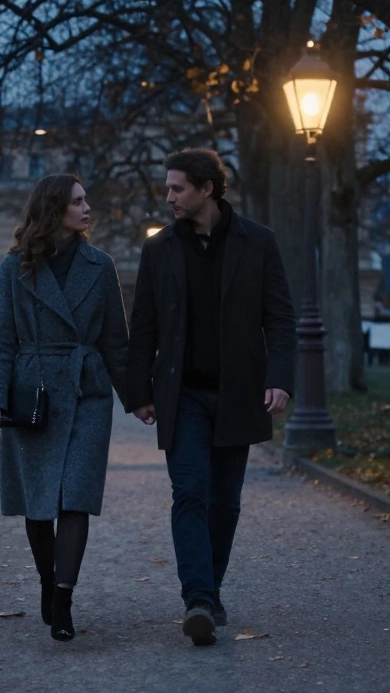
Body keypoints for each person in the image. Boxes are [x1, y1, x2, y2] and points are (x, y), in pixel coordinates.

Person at [125, 148, 295, 647]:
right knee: (190, 493)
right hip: (184, 396)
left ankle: (210, 593)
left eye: (178, 188)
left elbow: (280, 318)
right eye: (168, 187)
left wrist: (280, 376)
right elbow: (144, 327)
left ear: (207, 189)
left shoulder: (258, 243)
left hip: (239, 393)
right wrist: (141, 392)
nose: (169, 196)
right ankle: (197, 599)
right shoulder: (159, 250)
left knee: (226, 502)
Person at [0, 173, 129, 642]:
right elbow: (0, 341)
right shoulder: (15, 268)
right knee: (39, 504)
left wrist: (140, 398)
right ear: (54, 210)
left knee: (76, 496)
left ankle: (63, 599)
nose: (88, 209)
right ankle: (48, 579)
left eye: (87, 200)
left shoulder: (100, 266)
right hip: (33, 391)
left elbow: (115, 343)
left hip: (86, 391)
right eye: (78, 202)